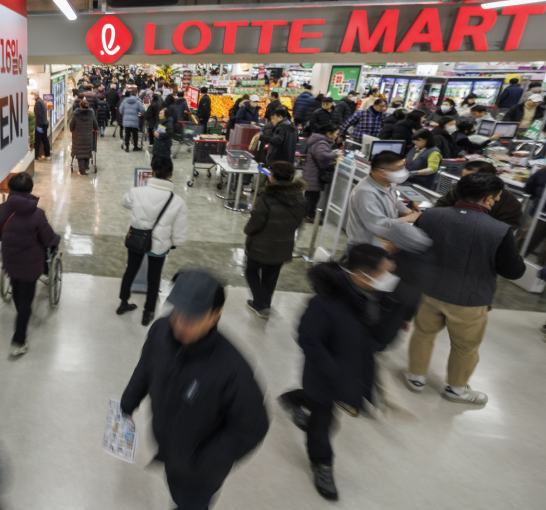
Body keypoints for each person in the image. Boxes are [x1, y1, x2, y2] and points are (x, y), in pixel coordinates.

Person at [121, 270, 269, 510]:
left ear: (215, 316)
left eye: (191, 319)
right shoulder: (160, 332)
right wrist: (128, 403)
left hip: (200, 473)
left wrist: (204, 463)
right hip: (170, 451)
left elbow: (253, 427)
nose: (180, 324)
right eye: (177, 313)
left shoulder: (232, 369)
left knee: (190, 504)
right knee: (176, 490)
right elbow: (146, 368)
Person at [279, 245, 407, 501]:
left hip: (352, 370)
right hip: (326, 375)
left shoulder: (376, 296)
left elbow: (377, 336)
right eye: (384, 273)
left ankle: (294, 399)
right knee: (323, 423)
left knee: (323, 406)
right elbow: (308, 338)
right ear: (362, 276)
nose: (389, 278)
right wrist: (334, 370)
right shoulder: (325, 302)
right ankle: (322, 464)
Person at [404, 173, 526, 405]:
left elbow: (415, 248)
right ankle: (456, 389)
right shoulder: (499, 230)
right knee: (465, 347)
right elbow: (514, 271)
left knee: (423, 334)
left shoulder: (430, 215)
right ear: (488, 199)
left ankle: (416, 376)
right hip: (471, 299)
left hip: (430, 290)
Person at [0, 173, 58, 356]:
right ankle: (18, 341)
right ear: (30, 189)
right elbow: (49, 239)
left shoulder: (1, 210)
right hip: (32, 265)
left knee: (18, 292)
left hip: (10, 262)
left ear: (10, 189)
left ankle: (22, 315)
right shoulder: (38, 214)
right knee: (26, 299)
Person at [117, 156, 188, 326]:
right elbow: (179, 231)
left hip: (136, 239)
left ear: (151, 171)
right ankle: (148, 312)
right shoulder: (177, 202)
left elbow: (124, 202)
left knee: (130, 271)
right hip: (160, 244)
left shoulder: (136, 192)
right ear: (170, 174)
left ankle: (123, 303)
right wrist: (174, 243)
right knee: (154, 277)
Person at [243, 161, 307, 318]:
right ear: (292, 177)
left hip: (260, 244)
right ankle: (266, 304)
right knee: (271, 276)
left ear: (272, 177)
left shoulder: (265, 197)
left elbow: (256, 222)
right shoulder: (300, 198)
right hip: (284, 245)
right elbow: (299, 223)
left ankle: (259, 304)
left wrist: (247, 230)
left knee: (251, 271)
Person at [344, 151, 432, 253]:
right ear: (381, 171)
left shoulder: (388, 182)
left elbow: (394, 201)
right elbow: (378, 224)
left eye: (402, 166)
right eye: (398, 168)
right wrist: (407, 219)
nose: (402, 171)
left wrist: (406, 211)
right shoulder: (365, 192)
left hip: (382, 243)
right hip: (364, 249)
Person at [434, 160, 523, 231]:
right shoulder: (460, 188)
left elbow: (508, 226)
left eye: (469, 178)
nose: (464, 182)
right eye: (463, 178)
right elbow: (442, 204)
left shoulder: (509, 201)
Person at [303, 124, 342, 223]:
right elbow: (322, 155)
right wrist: (336, 154)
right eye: (336, 134)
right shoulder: (321, 142)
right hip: (314, 174)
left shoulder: (319, 140)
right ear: (329, 133)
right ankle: (309, 216)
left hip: (311, 172)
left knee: (310, 195)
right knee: (313, 197)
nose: (336, 136)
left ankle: (307, 213)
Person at [69, 99, 97, 174]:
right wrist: (96, 130)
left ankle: (81, 171)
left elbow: (71, 125)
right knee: (87, 152)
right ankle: (86, 169)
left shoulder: (76, 114)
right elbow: (95, 125)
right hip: (88, 136)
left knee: (80, 153)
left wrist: (72, 130)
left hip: (78, 136)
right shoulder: (91, 114)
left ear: (80, 106)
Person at [32, 91, 50, 161]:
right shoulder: (41, 101)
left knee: (37, 141)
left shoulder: (38, 103)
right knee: (44, 139)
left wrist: (38, 125)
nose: (32, 96)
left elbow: (38, 115)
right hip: (44, 123)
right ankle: (47, 154)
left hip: (41, 124)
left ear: (35, 94)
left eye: (32, 94)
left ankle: (36, 156)